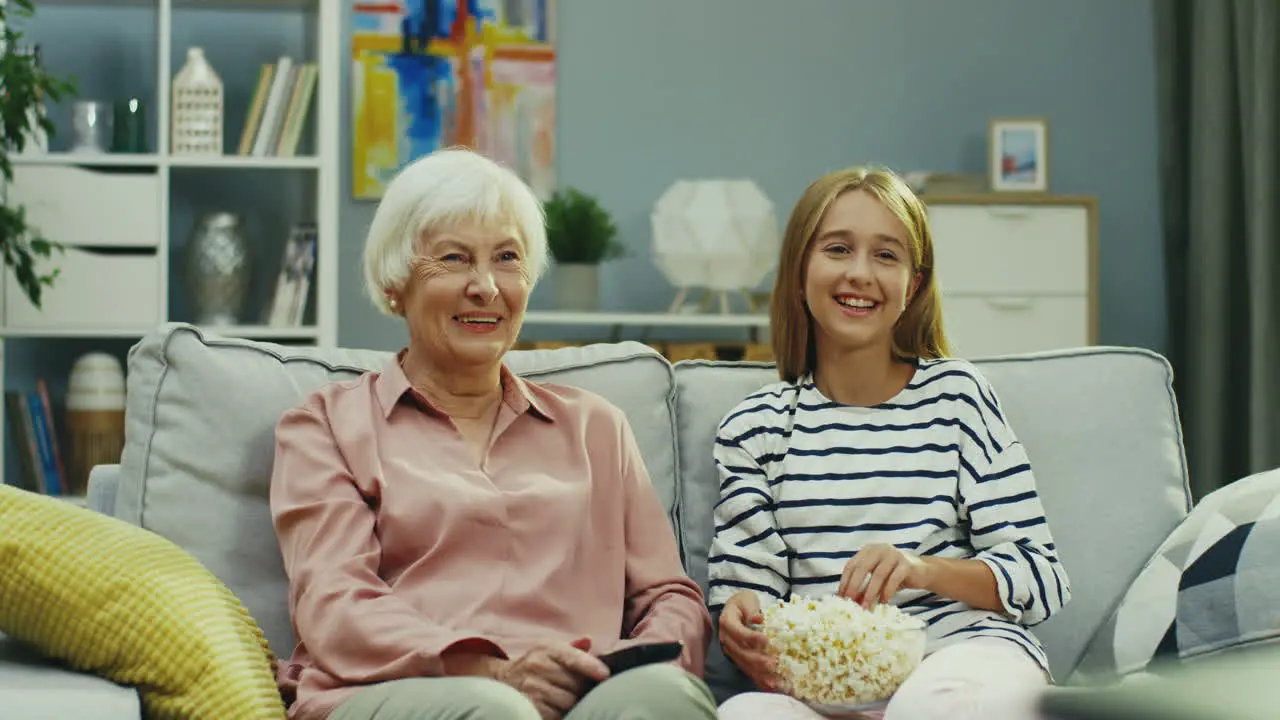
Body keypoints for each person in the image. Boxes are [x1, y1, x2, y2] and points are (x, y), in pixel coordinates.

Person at [268, 147, 716, 720]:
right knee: (496, 711)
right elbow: (335, 604)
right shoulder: (326, 427)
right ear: (395, 284)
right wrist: (495, 672)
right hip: (400, 692)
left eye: (507, 258)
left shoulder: (595, 428)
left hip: (579, 695)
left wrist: (613, 670)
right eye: (454, 259)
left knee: (664, 698)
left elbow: (668, 596)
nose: (486, 286)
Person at [708, 167, 1071, 720]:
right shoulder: (754, 428)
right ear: (800, 269)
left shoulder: (958, 398)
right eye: (837, 249)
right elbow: (747, 589)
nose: (860, 274)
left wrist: (920, 569)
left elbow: (1040, 577)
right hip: (825, 690)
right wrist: (738, 618)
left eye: (886, 255)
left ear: (915, 285)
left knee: (940, 704)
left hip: (960, 660)